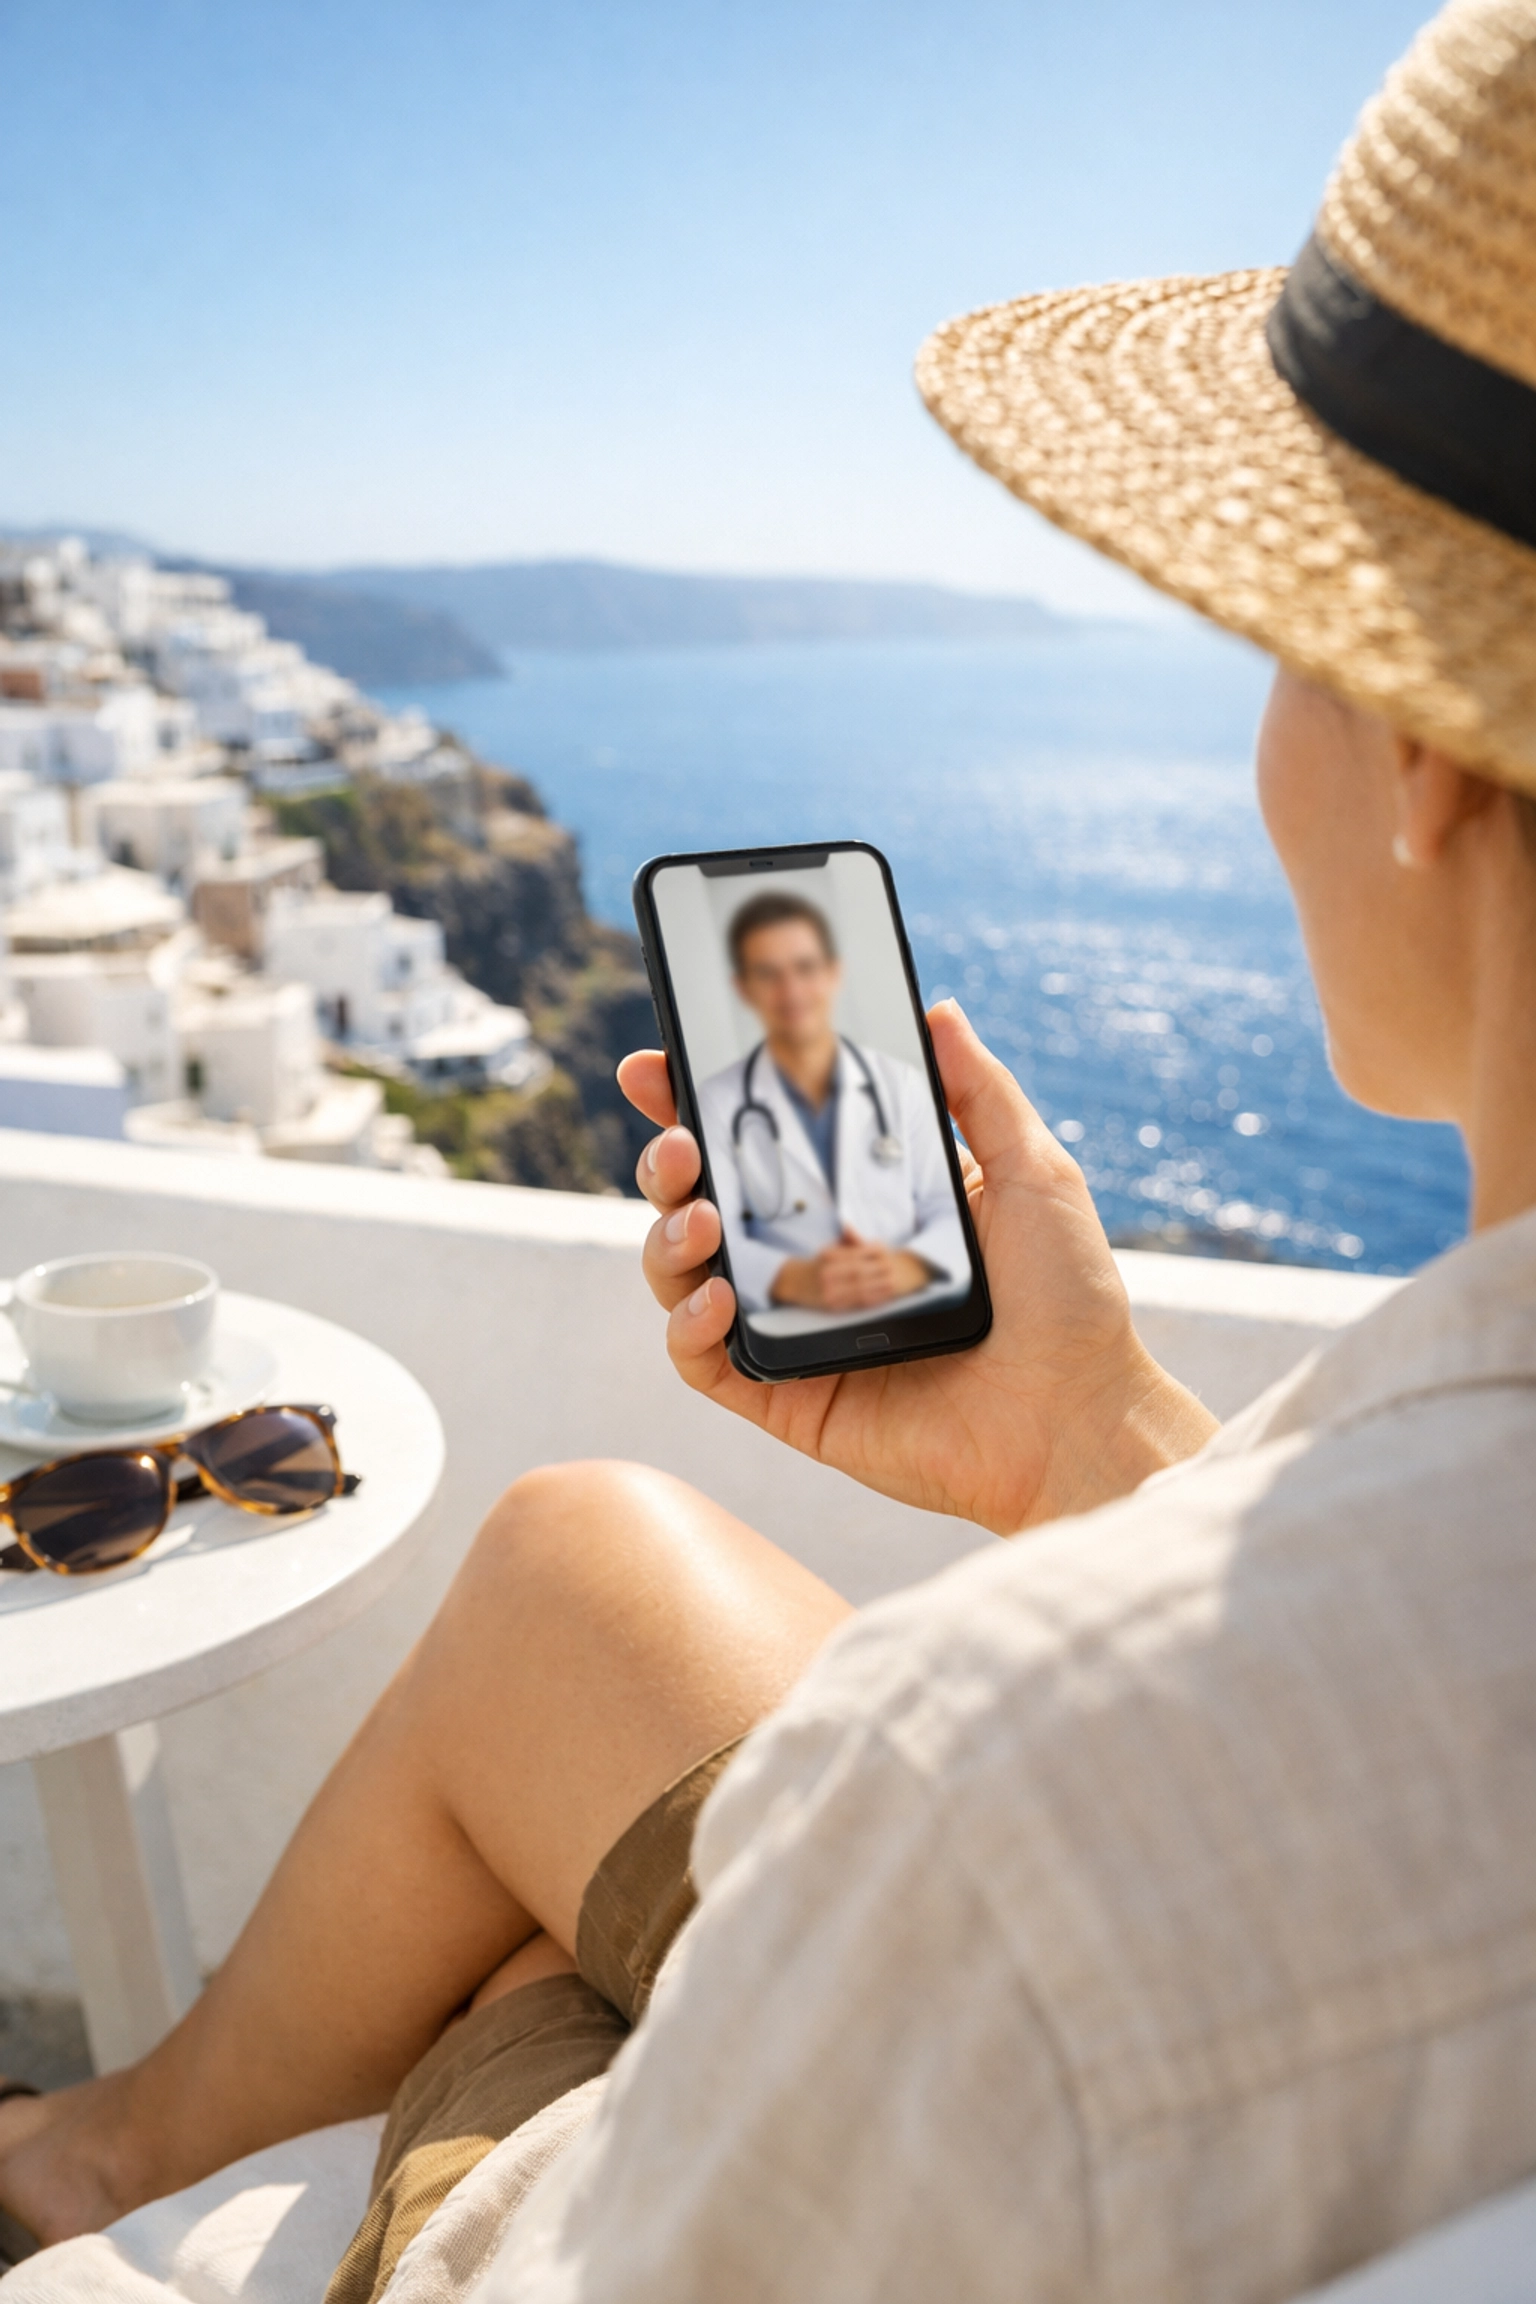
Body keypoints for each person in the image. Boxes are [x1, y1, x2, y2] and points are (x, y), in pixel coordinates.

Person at [3, 1, 1535, 2298]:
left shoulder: (966, 1791)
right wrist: (1097, 1438)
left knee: (516, 1948)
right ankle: (111, 2143)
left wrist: (555, 2018)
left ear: (1424, 745)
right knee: (581, 1561)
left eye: (1278, 650)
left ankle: (112, 2182)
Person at [693, 890, 968, 1319]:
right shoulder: (717, 1102)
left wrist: (909, 1267)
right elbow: (714, 1238)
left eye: (805, 967)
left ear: (834, 973)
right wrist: (789, 1278)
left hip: (917, 1325)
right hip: (796, 1335)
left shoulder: (902, 1085)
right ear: (743, 988)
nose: (791, 990)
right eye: (768, 973)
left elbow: (954, 1210)